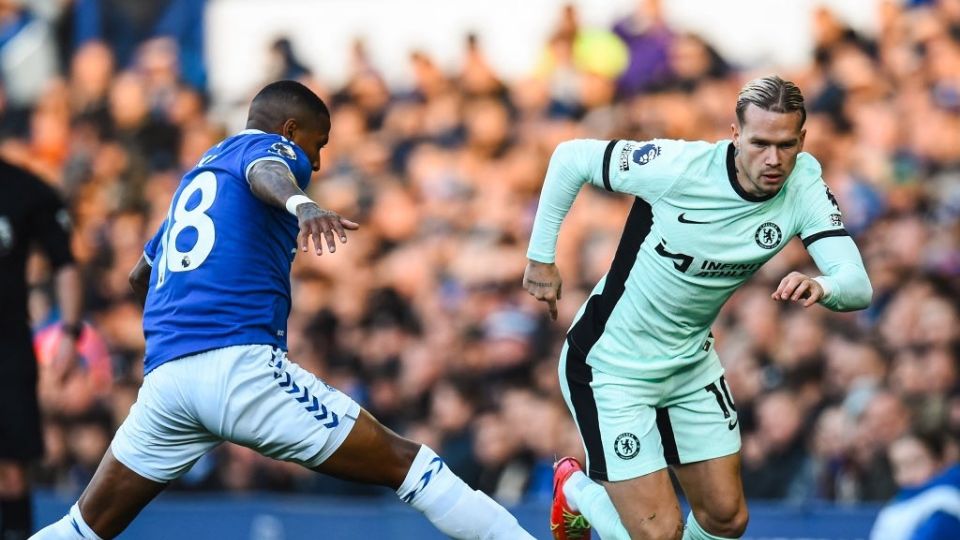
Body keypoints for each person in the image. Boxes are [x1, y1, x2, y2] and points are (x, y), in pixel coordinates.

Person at [31, 80, 534, 540]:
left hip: (167, 381)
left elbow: (140, 276)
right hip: (238, 367)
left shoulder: (198, 176)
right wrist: (301, 204)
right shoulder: (271, 151)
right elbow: (267, 170)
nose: (315, 163)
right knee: (409, 463)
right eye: (319, 144)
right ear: (292, 130)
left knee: (81, 528)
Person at [523, 75, 873, 540]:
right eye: (759, 143)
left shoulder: (804, 184)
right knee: (661, 534)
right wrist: (541, 259)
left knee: (727, 520)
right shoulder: (679, 167)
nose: (773, 159)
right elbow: (572, 158)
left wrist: (822, 286)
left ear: (802, 140)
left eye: (786, 145)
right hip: (611, 366)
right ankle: (576, 490)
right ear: (735, 135)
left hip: (690, 364)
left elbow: (858, 285)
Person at [1, 158, 83, 540]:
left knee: (12, 466)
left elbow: (64, 262)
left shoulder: (24, 189)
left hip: (7, 347)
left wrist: (69, 331)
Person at [870, 431, 960, 540]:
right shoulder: (895, 506)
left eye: (916, 462)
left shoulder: (944, 503)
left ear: (937, 462)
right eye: (899, 466)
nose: (908, 473)